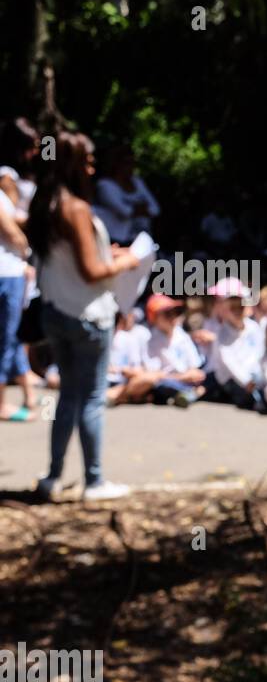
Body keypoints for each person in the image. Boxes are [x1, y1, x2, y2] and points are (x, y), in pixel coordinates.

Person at [27, 131, 140, 501]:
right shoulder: (75, 208)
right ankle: (94, 482)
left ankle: (52, 477)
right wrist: (126, 261)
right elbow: (92, 271)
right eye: (88, 160)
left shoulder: (43, 204)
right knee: (91, 398)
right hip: (88, 315)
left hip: (56, 312)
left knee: (68, 398)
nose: (92, 168)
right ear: (73, 163)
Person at [195, 279, 266, 410]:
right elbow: (229, 362)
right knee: (245, 396)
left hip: (253, 373)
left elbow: (260, 353)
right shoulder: (222, 333)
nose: (237, 311)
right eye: (233, 308)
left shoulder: (254, 328)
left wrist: (256, 374)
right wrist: (246, 381)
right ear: (225, 309)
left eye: (241, 306)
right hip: (231, 378)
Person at [0, 174, 36, 421]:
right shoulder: (1, 198)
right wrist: (27, 252)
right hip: (8, 274)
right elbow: (14, 235)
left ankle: (29, 394)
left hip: (12, 273)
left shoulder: (9, 202)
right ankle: (2, 403)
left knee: (12, 336)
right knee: (7, 338)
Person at [143, 293, 206, 404]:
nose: (173, 317)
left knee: (204, 379)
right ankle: (187, 394)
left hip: (186, 379)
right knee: (160, 386)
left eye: (175, 313)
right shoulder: (150, 341)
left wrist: (192, 373)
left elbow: (194, 364)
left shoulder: (182, 336)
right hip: (167, 380)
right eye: (167, 314)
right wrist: (181, 377)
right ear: (154, 318)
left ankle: (186, 394)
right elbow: (155, 374)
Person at [94, 146, 159, 244]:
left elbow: (155, 210)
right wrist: (141, 208)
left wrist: (134, 209)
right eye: (126, 163)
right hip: (116, 240)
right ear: (116, 164)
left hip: (141, 237)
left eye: (133, 163)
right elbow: (125, 211)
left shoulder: (137, 182)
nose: (131, 167)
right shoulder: (105, 185)